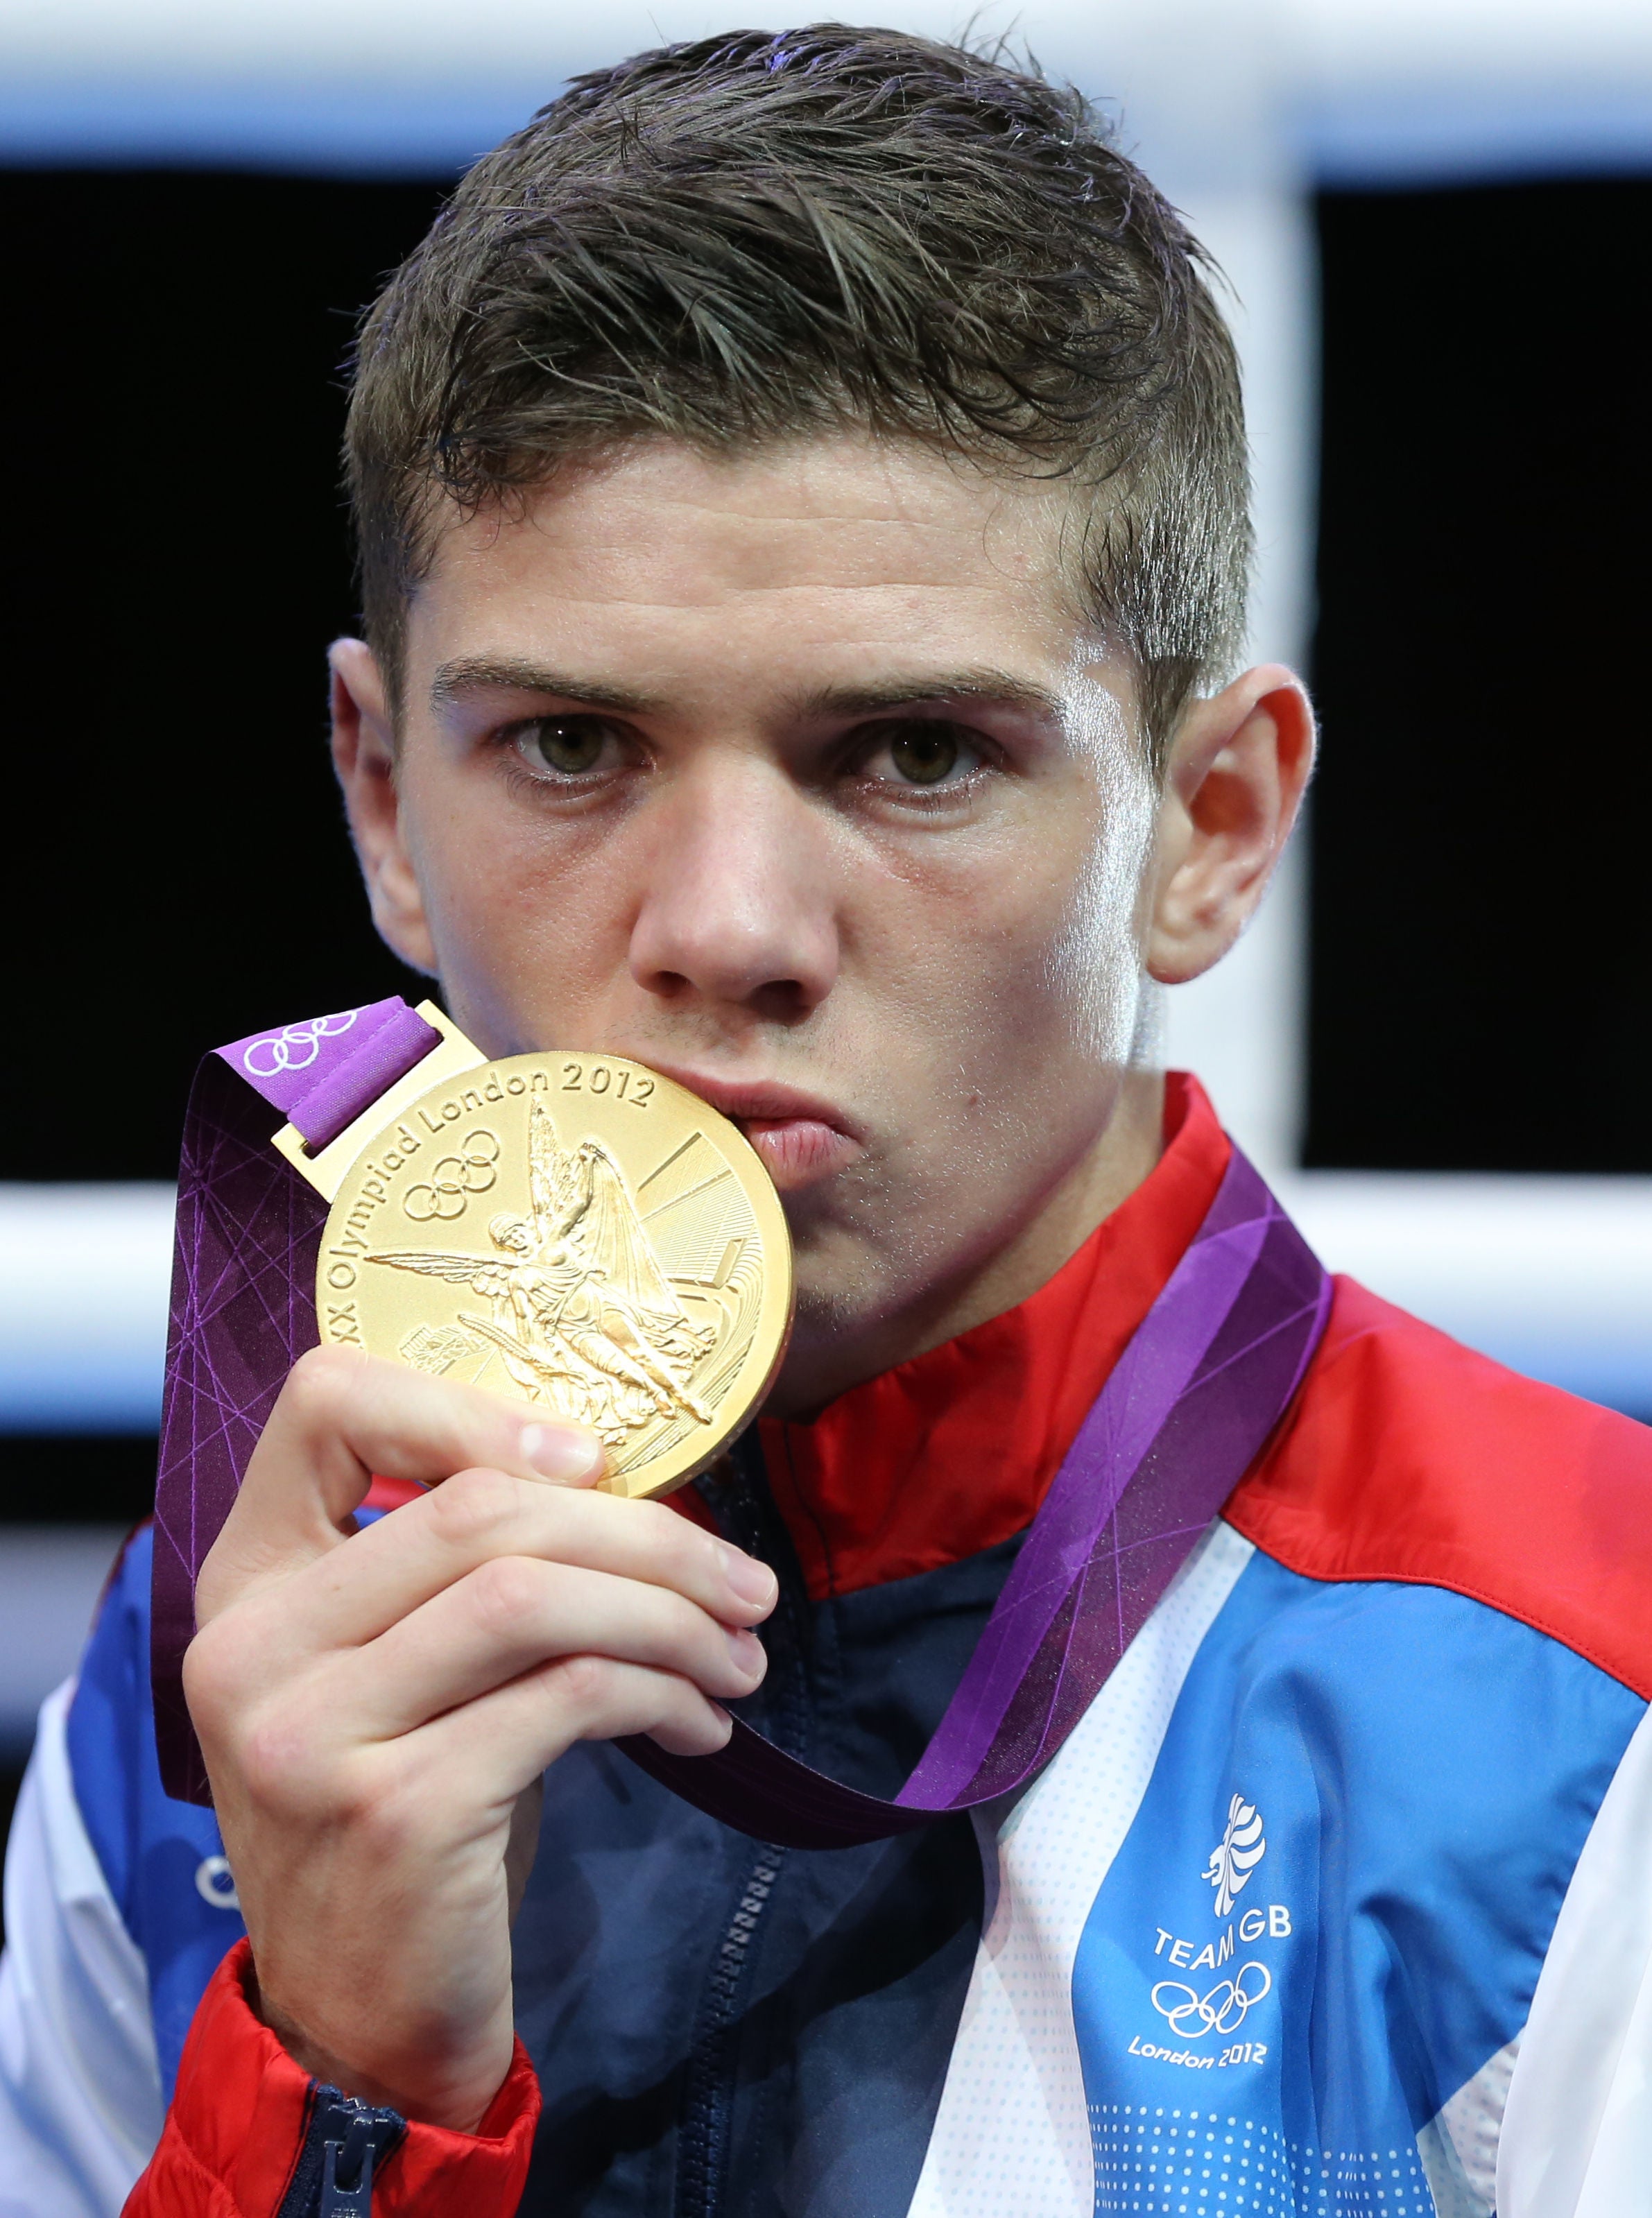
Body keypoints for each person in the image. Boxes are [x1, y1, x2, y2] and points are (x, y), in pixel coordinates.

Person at [3, 26, 1649, 2218]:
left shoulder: (1591, 1709)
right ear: (385, 801)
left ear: (1213, 823)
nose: (728, 930)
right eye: (571, 747)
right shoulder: (223, 1670)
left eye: (914, 754)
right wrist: (344, 2094)